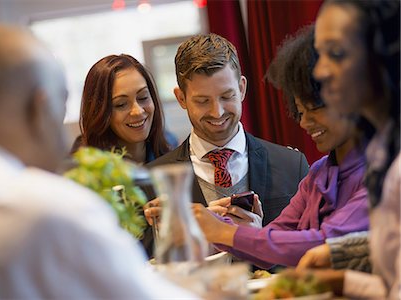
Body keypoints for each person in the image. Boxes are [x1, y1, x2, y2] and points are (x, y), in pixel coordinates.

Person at [0, 25, 196, 299]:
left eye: (142, 97)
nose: (137, 111)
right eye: (61, 103)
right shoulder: (48, 204)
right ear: (41, 108)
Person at [192, 25, 369, 268]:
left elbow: (328, 245)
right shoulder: (318, 174)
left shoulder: (384, 173)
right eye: (300, 111)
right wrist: (211, 224)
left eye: (315, 108)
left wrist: (223, 232)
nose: (305, 122)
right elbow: (275, 236)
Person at [144, 33, 310, 255]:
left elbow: (311, 255)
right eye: (202, 101)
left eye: (226, 96)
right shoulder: (153, 180)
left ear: (241, 88)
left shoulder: (292, 165)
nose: (217, 112)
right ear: (181, 98)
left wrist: (258, 241)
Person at [296, 0, 400, 298]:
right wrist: (339, 278)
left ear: (384, 53)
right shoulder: (382, 146)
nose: (320, 71)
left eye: (337, 54)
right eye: (320, 54)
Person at [72, 54, 177, 164]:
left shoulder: (170, 145)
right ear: (100, 113)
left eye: (143, 97)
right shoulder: (85, 166)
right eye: (121, 104)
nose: (138, 111)